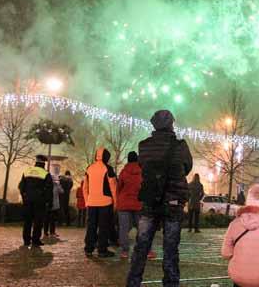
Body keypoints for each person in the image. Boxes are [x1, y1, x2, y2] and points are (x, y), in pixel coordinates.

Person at [127, 110, 193, 287]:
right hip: (173, 202)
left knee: (141, 246)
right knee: (170, 249)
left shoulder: (144, 146)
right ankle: (170, 283)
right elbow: (187, 167)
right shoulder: (180, 146)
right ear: (172, 124)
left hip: (150, 200)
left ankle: (133, 282)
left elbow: (143, 167)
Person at [83, 147, 118, 257]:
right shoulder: (108, 169)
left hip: (91, 202)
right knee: (104, 227)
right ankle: (102, 250)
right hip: (105, 202)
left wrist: (86, 201)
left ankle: (88, 248)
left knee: (91, 226)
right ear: (107, 156)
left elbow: (85, 187)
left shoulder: (89, 168)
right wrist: (115, 202)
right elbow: (113, 187)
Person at [18, 155, 53, 247]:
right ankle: (35, 240)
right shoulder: (45, 174)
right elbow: (49, 190)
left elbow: (21, 187)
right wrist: (49, 202)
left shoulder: (27, 171)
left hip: (28, 200)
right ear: (43, 163)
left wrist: (24, 197)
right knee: (38, 221)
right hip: (40, 202)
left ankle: (26, 240)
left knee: (27, 221)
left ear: (36, 162)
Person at [116, 151, 143, 259]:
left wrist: (118, 200)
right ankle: (143, 248)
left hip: (124, 203)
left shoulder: (123, 172)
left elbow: (119, 188)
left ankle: (124, 251)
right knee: (141, 227)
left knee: (123, 228)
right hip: (138, 203)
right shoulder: (142, 172)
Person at [44, 172, 64, 238]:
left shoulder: (46, 185)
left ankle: (46, 233)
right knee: (52, 220)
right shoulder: (56, 185)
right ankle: (51, 233)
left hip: (47, 204)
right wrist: (59, 185)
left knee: (47, 219)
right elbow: (62, 191)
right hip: (54, 205)